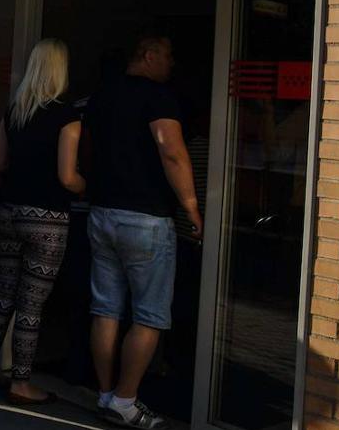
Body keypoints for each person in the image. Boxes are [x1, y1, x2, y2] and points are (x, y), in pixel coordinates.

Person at [86, 34, 201, 429]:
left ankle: (105, 394)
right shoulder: (158, 97)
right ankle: (125, 400)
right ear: (148, 56)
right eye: (167, 55)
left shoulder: (102, 95)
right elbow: (171, 149)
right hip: (146, 219)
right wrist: (190, 205)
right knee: (149, 316)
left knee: (106, 310)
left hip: (101, 213)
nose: (171, 64)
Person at [0, 39, 84, 405]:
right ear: (60, 71)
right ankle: (21, 382)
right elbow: (68, 177)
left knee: (3, 296)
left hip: (9, 214)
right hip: (47, 221)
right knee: (31, 304)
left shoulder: (14, 111)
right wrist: (89, 186)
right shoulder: (67, 116)